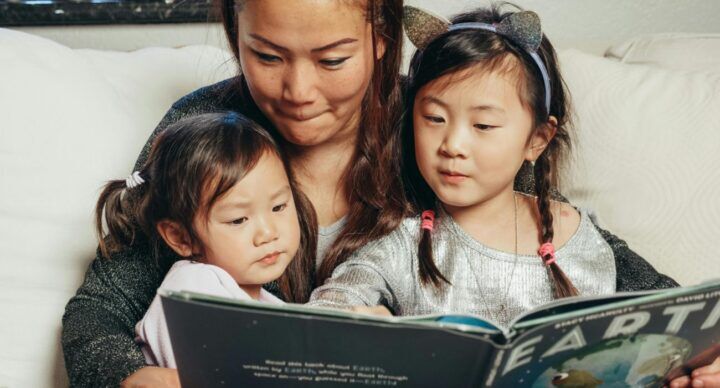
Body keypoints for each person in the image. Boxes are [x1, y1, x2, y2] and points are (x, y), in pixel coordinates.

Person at [310, 6, 720, 386]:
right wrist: (358, 325)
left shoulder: (579, 234)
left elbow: (683, 318)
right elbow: (330, 305)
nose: (452, 144)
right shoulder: (401, 246)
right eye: (433, 118)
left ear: (537, 140)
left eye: (484, 125)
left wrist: (702, 364)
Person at [61, 1, 409, 386]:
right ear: (235, 34)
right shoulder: (204, 132)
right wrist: (130, 377)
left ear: (381, 38)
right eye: (267, 56)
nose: (299, 92)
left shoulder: (440, 121)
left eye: (331, 60)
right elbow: (99, 311)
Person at [92, 112, 314, 368]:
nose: (268, 232)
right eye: (238, 220)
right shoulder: (192, 289)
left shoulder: (266, 302)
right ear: (181, 237)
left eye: (278, 207)